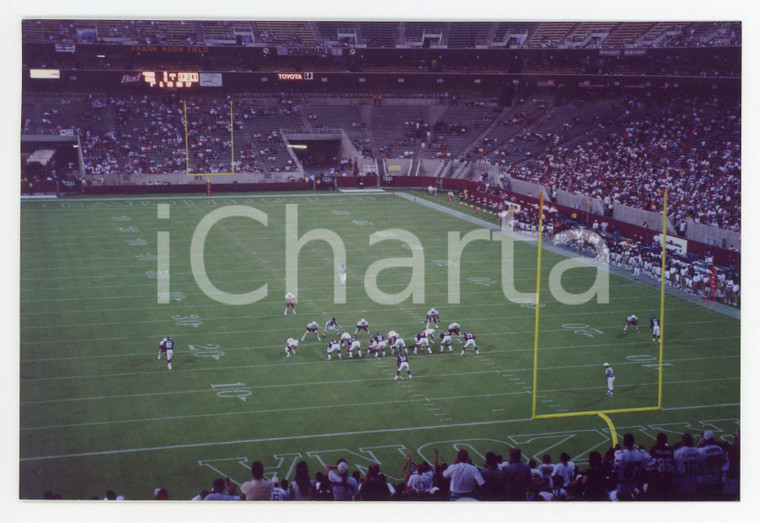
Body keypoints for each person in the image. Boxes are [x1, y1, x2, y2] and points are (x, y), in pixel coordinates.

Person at [612, 433, 651, 500]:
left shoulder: (619, 455)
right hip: (636, 488)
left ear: (624, 443)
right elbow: (654, 463)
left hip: (622, 489)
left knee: (612, 495)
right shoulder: (642, 454)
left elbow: (614, 473)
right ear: (633, 442)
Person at [697, 430, 726, 496]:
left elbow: (698, 464)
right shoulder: (719, 449)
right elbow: (723, 461)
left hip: (704, 479)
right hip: (716, 478)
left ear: (705, 440)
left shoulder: (701, 450)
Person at [647, 432, 675, 500]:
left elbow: (650, 465)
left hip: (658, 479)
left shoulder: (654, 449)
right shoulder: (670, 449)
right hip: (668, 479)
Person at [673, 433, 701, 500]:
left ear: (683, 441)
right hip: (694, 482)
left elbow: (673, 464)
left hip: (681, 482)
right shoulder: (697, 451)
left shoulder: (678, 452)